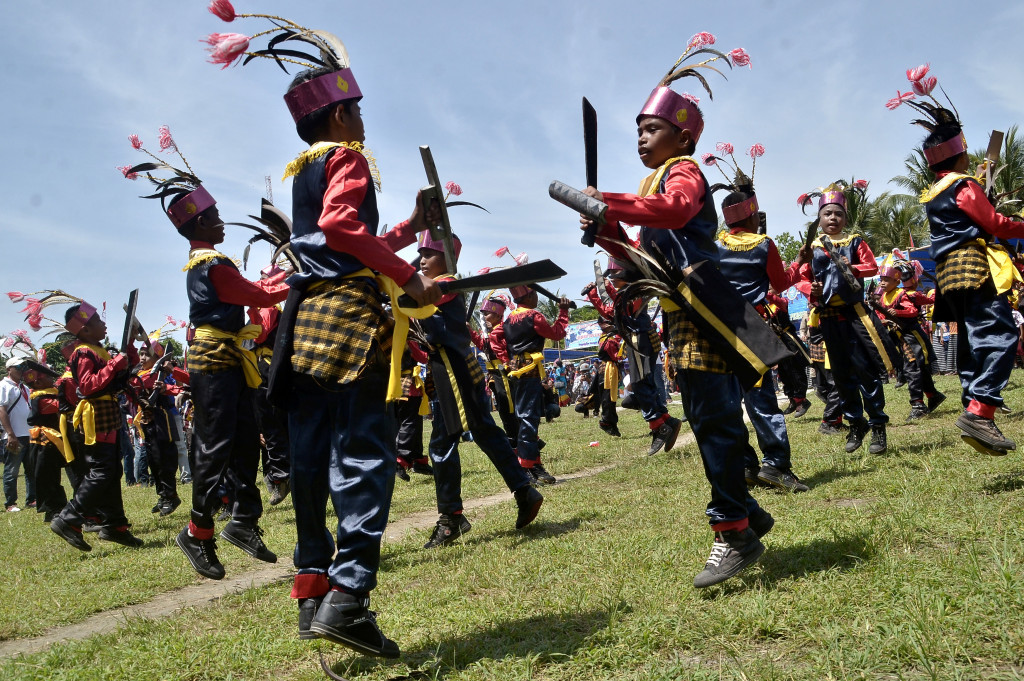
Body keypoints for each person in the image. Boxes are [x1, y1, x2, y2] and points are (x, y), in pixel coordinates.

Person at [218, 15, 446, 657]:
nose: (366, 122)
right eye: (359, 110)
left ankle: (313, 593)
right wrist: (410, 276)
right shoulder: (348, 157)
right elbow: (344, 229)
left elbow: (328, 242)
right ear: (340, 114)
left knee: (312, 464)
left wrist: (404, 227)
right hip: (349, 326)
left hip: (305, 325)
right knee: (364, 459)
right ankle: (348, 598)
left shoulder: (302, 169)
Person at [578, 36, 773, 588]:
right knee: (709, 415)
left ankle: (734, 528)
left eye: (651, 129)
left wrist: (608, 202)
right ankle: (748, 513)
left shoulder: (683, 172)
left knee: (712, 418)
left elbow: (677, 210)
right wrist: (608, 233)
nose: (641, 138)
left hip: (707, 306)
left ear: (683, 136)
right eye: (638, 130)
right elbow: (643, 259)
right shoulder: (653, 182)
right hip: (682, 311)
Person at [123, 131, 291, 577]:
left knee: (242, 438)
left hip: (228, 366)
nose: (221, 222)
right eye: (215, 216)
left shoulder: (210, 262)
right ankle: (197, 532)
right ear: (198, 225)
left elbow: (254, 294)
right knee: (216, 447)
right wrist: (295, 280)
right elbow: (257, 293)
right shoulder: (212, 265)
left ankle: (243, 520)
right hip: (215, 366)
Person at [890, 78, 1024, 454]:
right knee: (999, 336)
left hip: (949, 273)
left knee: (970, 341)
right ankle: (980, 413)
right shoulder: (965, 186)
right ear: (961, 152)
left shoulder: (935, 192)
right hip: (974, 266)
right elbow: (995, 224)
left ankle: (972, 404)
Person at [415, 232, 543, 548]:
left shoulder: (443, 287)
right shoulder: (437, 287)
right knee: (486, 432)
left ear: (446, 260)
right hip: (457, 369)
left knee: (442, 444)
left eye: (427, 254)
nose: (420, 260)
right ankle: (524, 490)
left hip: (453, 373)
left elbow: (435, 328)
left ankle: (451, 517)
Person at [716, 176, 810, 492]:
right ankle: (776, 466)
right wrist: (799, 262)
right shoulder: (763, 244)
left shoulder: (714, 245)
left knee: (730, 402)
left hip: (719, 331)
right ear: (753, 216)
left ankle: (745, 465)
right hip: (752, 331)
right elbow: (782, 283)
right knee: (761, 399)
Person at [796, 181, 896, 455]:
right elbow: (802, 279)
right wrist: (811, 289)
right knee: (841, 377)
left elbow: (872, 266)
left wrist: (849, 266)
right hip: (828, 319)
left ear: (845, 217)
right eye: (827, 214)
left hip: (855, 317)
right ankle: (855, 423)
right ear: (819, 217)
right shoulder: (812, 248)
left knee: (866, 373)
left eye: (838, 214)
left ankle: (878, 426)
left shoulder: (855, 242)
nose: (833, 218)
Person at [50, 302, 143, 551]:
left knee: (112, 471)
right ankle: (69, 518)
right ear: (85, 330)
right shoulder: (83, 353)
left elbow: (125, 371)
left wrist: (129, 347)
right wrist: (115, 364)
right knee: (102, 470)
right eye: (98, 322)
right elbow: (89, 386)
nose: (104, 324)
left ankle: (115, 526)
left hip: (108, 413)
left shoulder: (97, 350)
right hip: (96, 415)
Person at [583, 258, 680, 454]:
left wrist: (595, 293)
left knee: (640, 383)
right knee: (643, 384)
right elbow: (614, 305)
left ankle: (659, 426)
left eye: (613, 277)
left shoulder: (635, 291)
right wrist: (597, 292)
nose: (611, 281)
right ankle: (666, 421)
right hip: (638, 341)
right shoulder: (629, 291)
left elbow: (613, 311)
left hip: (640, 341)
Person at [502, 284, 570, 485]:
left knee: (528, 418)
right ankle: (526, 466)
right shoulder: (534, 316)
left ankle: (534, 463)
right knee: (528, 419)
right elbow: (557, 333)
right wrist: (563, 312)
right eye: (535, 294)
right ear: (530, 295)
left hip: (518, 371)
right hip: (529, 373)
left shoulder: (507, 319)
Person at [871, 263, 945, 421]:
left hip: (912, 336)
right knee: (917, 367)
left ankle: (918, 405)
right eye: (881, 279)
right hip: (899, 338)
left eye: (887, 279)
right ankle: (933, 395)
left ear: (897, 282)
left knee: (912, 368)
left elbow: (911, 311)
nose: (882, 283)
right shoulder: (883, 297)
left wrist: (897, 312)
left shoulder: (902, 294)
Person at [131, 342, 186, 516]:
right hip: (147, 422)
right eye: (140, 354)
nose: (142, 358)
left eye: (146, 354)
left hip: (162, 421)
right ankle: (162, 495)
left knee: (164, 460)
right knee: (153, 460)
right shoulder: (139, 374)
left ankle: (171, 495)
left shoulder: (155, 375)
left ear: (157, 358)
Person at [248, 288, 291, 505]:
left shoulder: (268, 308)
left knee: (271, 425)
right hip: (274, 368)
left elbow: (260, 334)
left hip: (265, 371)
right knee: (274, 426)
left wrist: (251, 308)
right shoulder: (278, 309)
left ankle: (281, 477)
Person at [22, 361, 67, 522]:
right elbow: (60, 406)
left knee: (52, 473)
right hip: (44, 440)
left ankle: (57, 506)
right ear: (39, 382)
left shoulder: (48, 393)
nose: (52, 378)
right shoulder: (41, 398)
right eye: (49, 376)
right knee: (46, 474)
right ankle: (52, 508)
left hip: (50, 438)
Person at [472, 296, 519, 447]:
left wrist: (491, 333)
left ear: (498, 315)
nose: (484, 317)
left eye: (488, 313)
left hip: (504, 371)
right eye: (483, 313)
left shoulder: (504, 328)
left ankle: (515, 437)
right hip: (493, 373)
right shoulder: (488, 331)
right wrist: (471, 332)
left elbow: (504, 351)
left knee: (508, 405)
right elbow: (482, 346)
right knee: (502, 406)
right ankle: (513, 435)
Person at [1, 357, 34, 512]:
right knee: (12, 470)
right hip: (14, 435)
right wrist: (10, 434)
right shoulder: (3, 386)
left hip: (28, 434)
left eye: (23, 366)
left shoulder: (24, 388)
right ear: (9, 369)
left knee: (31, 468)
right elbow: (2, 411)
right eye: (18, 366)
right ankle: (10, 503)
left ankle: (31, 499)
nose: (22, 369)